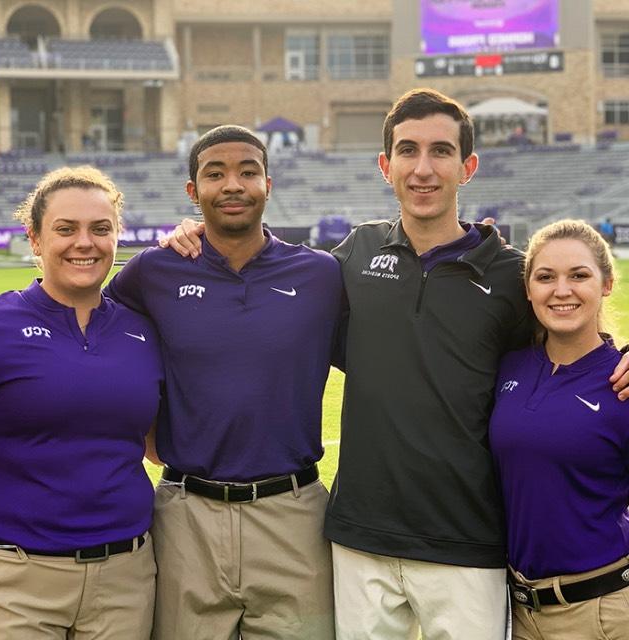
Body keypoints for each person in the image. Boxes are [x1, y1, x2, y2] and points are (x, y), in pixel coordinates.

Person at [166, 90, 629, 639]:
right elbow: (261, 293)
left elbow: (569, 334)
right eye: (407, 151)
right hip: (361, 538)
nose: (424, 168)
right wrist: (198, 234)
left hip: (468, 541)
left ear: (468, 166)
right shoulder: (353, 256)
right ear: (386, 166)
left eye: (441, 151)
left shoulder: (508, 275)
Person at [104, 125, 341, 640]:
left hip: (293, 516)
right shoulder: (153, 271)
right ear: (193, 192)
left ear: (268, 184)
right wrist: (142, 428)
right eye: (216, 174)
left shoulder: (321, 274)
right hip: (187, 515)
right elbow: (102, 346)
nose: (232, 184)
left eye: (247, 172)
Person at [0, 166, 164, 639]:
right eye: (65, 229)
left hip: (125, 580)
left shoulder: (144, 331)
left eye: (100, 229)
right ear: (36, 239)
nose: (84, 242)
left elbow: (156, 446)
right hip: (15, 582)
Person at [490, 220, 629, 640]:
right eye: (545, 277)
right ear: (528, 290)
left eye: (579, 275)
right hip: (518, 612)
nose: (561, 290)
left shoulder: (621, 381)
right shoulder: (508, 366)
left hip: (601, 613)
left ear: (606, 284)